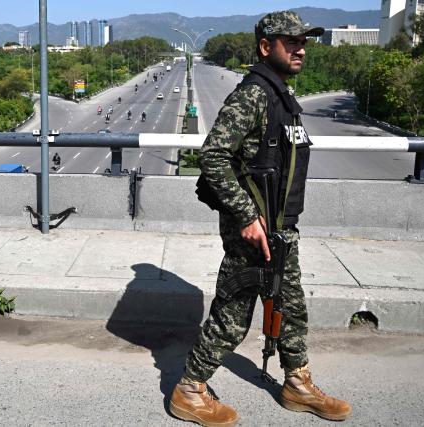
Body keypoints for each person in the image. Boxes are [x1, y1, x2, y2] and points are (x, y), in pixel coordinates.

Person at [168, 11, 351, 427]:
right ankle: (189, 389)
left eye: (304, 41)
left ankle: (297, 384)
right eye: (292, 42)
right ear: (266, 47)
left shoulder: (281, 95)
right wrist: (248, 217)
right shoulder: (253, 94)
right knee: (233, 315)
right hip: (253, 231)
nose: (301, 48)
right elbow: (213, 155)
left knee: (291, 307)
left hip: (281, 228)